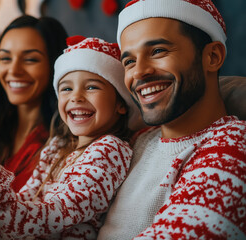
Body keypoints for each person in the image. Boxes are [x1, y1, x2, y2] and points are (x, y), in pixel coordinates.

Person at [0, 36, 142, 239]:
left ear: (121, 104)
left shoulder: (110, 150)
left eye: (92, 87)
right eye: (66, 88)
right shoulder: (57, 146)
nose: (76, 97)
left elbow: (56, 214)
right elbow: (26, 198)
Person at [98, 0, 246, 239]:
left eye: (157, 51)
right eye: (129, 61)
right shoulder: (132, 144)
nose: (138, 72)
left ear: (213, 56)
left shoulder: (234, 146)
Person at [0, 15, 68, 192]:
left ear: (55, 65)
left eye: (30, 59)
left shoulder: (63, 145)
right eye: (5, 58)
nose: (14, 71)